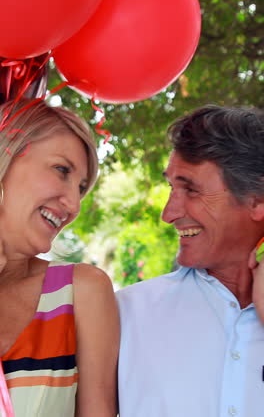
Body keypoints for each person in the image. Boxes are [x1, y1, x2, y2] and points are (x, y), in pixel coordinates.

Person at [116, 105, 264, 417]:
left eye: (191, 190)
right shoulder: (124, 315)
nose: (168, 214)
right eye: (172, 188)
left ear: (257, 200)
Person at [0, 98, 120, 417]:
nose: (74, 205)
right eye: (61, 170)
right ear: (5, 157)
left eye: (81, 188)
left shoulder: (80, 292)